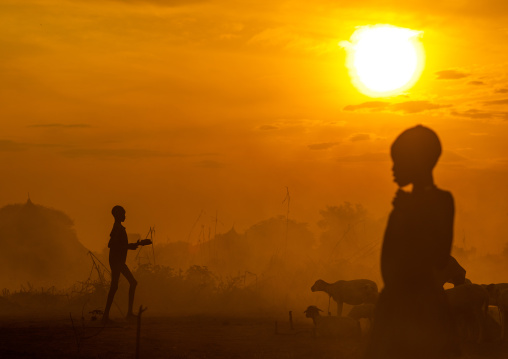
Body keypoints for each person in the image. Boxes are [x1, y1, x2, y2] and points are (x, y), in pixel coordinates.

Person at [365, 125, 455, 359]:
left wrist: (410, 213)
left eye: (398, 161)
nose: (393, 169)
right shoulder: (403, 206)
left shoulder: (441, 201)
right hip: (395, 306)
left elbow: (440, 256)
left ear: (417, 161)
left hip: (420, 309)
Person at [102, 205, 142, 323]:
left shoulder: (118, 228)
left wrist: (132, 245)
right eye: (123, 214)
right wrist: (129, 246)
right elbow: (112, 245)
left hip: (117, 260)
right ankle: (124, 313)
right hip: (117, 261)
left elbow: (116, 244)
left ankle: (108, 315)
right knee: (129, 283)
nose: (125, 216)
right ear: (118, 215)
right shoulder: (118, 228)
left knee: (117, 286)